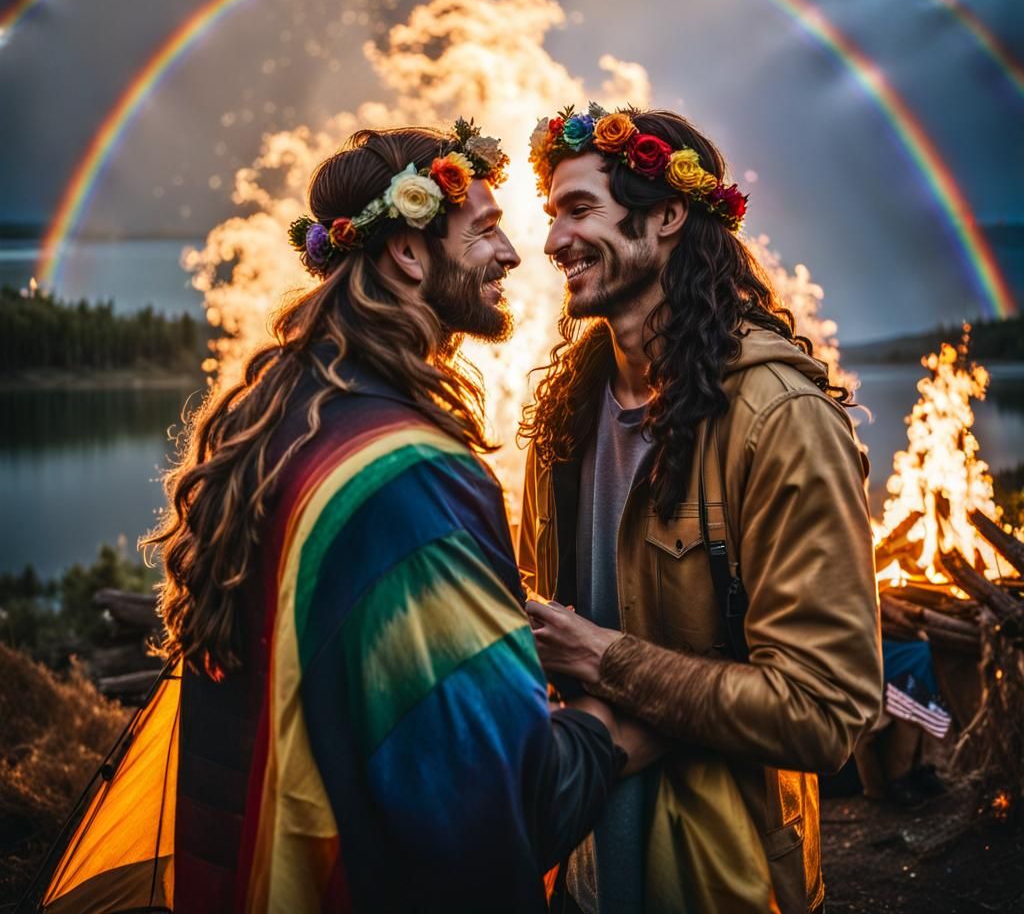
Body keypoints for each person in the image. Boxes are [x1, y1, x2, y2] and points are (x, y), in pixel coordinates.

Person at [144, 122, 652, 913]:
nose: (515, 255)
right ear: (409, 253)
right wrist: (603, 723)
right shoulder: (409, 480)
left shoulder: (281, 425)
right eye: (485, 230)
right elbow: (493, 813)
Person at [519, 104, 883, 913]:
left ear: (669, 214)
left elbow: (827, 714)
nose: (552, 242)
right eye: (552, 216)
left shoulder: (779, 420)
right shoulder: (563, 417)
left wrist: (605, 660)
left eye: (580, 210)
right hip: (577, 873)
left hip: (726, 879)